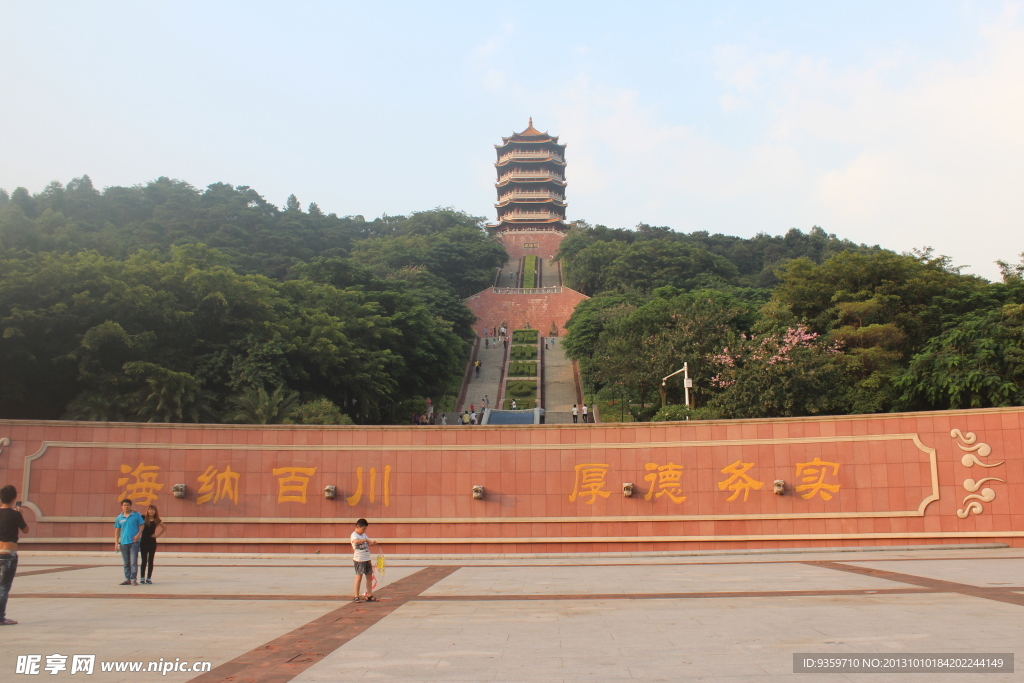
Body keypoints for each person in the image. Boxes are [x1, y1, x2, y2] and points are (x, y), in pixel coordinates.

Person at [0, 484, 29, 625]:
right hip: (9, 554)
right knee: (3, 587)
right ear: (14, 498)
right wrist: (21, 515)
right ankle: (0, 617)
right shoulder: (15, 514)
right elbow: (26, 530)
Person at [114, 499, 145, 586]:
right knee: (126, 562)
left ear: (130, 506)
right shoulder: (119, 517)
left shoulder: (136, 515)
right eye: (124, 505)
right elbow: (117, 530)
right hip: (123, 542)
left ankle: (133, 579)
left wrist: (138, 535)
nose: (126, 506)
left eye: (128, 505)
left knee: (133, 562)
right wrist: (116, 542)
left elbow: (142, 525)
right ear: (122, 506)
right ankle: (127, 579)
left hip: (134, 542)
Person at [350, 518, 379, 602]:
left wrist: (372, 542)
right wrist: (366, 540)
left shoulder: (363, 535)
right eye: (363, 529)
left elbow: (368, 543)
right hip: (359, 559)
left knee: (369, 577)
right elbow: (356, 541)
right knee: (359, 577)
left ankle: (369, 594)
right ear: (357, 527)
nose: (364, 531)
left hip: (367, 558)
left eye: (365, 529)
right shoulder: (354, 535)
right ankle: (356, 596)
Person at [139, 505, 166, 584]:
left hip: (152, 542)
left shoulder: (157, 520)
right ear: (147, 511)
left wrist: (157, 535)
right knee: (143, 560)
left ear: (155, 511)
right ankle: (142, 577)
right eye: (150, 510)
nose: (151, 511)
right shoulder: (143, 518)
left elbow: (164, 527)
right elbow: (136, 516)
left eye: (153, 510)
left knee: (150, 561)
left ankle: (149, 578)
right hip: (143, 541)